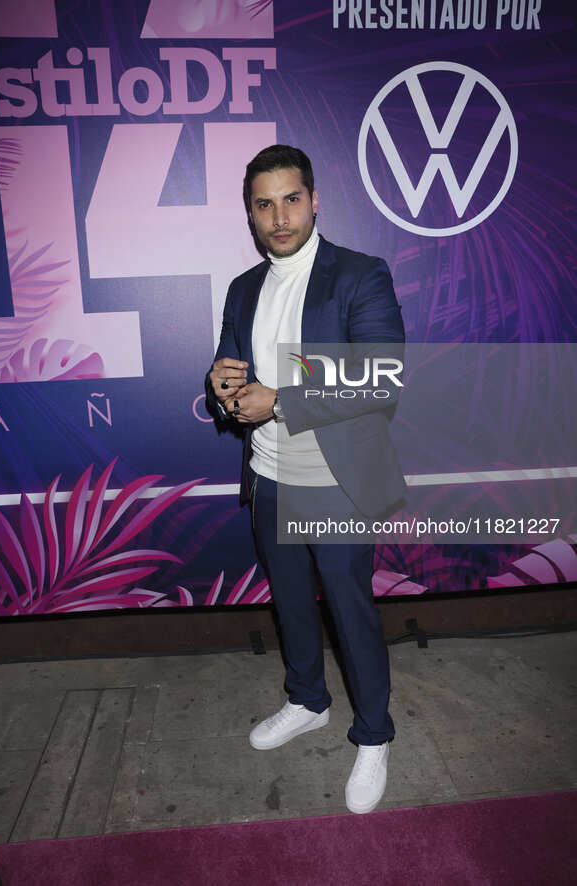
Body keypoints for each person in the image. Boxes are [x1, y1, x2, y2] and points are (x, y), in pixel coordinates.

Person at [205, 145, 405, 814]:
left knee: (349, 614)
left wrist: (280, 398)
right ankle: (307, 701)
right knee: (290, 605)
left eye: (291, 198)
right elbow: (230, 377)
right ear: (251, 214)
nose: (278, 215)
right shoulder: (242, 288)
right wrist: (221, 388)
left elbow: (379, 376)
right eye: (263, 204)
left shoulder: (358, 274)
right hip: (268, 477)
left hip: (334, 484)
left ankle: (373, 734)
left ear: (314, 200)